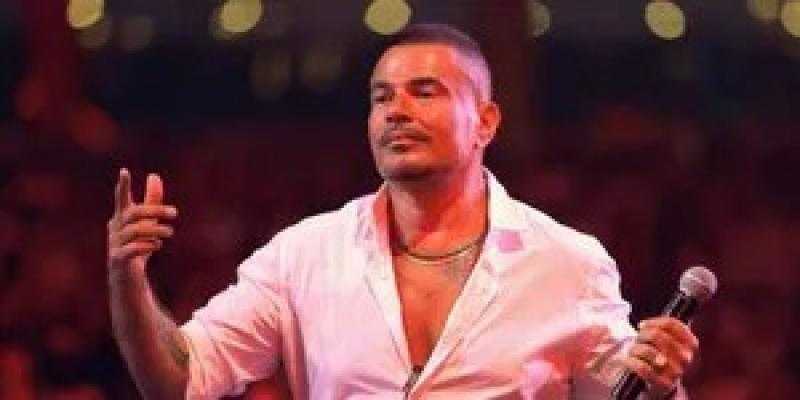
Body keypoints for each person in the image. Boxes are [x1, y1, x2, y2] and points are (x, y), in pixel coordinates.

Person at [107, 24, 699, 399]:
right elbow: (180, 378)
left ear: (485, 122)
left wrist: (661, 384)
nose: (396, 110)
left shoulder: (567, 263)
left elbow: (625, 394)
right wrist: (127, 279)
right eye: (382, 97)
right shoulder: (304, 255)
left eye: (425, 91)